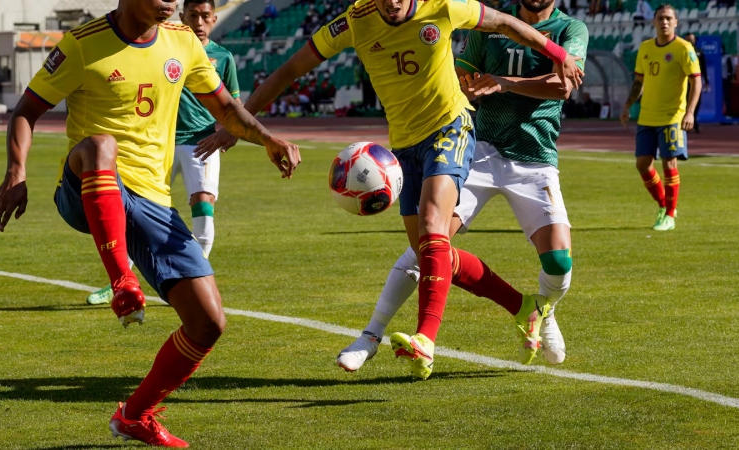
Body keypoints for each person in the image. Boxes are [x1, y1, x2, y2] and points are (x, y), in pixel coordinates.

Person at [197, 0, 583, 380]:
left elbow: (504, 23)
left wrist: (556, 52)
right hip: (404, 145)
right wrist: (238, 125)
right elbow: (289, 70)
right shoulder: (355, 19)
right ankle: (524, 307)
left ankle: (424, 341)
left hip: (453, 128)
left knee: (434, 223)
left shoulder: (444, 6)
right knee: (430, 252)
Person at [0, 0, 300, 447]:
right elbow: (25, 111)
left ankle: (135, 415)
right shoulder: (81, 44)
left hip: (152, 203)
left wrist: (267, 138)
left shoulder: (183, 43)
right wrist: (16, 172)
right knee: (100, 145)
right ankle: (122, 282)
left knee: (208, 321)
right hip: (86, 188)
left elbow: (226, 107)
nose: (172, 2)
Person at [336, 0, 587, 372]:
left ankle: (542, 313)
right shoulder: (491, 28)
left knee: (559, 263)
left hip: (534, 156)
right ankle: (370, 335)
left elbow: (564, 85)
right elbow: (462, 77)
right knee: (428, 243)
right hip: (480, 149)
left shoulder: (570, 30)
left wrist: (502, 83)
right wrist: (461, 87)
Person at [85, 0, 242, 305]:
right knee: (135, 210)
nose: (199, 22)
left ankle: (195, 277)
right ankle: (120, 280)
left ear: (214, 19)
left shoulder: (223, 57)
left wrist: (228, 133)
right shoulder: (168, 45)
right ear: (182, 16)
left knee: (203, 202)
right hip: (160, 143)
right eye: (193, 15)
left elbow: (234, 106)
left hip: (202, 143)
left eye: (205, 16)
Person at [620, 4, 700, 232]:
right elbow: (639, 82)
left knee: (669, 163)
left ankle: (670, 215)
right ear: (653, 22)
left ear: (676, 22)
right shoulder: (645, 48)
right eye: (660, 19)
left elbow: (697, 81)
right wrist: (627, 106)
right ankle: (664, 205)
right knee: (642, 164)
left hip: (672, 117)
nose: (664, 22)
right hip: (647, 116)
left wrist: (690, 112)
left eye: (668, 18)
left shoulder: (684, 48)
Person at [683, 32, 707, 133]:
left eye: (692, 39)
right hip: (685, 81)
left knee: (697, 101)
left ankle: (694, 121)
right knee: (685, 101)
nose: (690, 41)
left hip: (696, 80)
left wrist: (706, 80)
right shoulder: (682, 51)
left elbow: (703, 66)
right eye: (688, 39)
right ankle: (685, 122)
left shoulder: (699, 51)